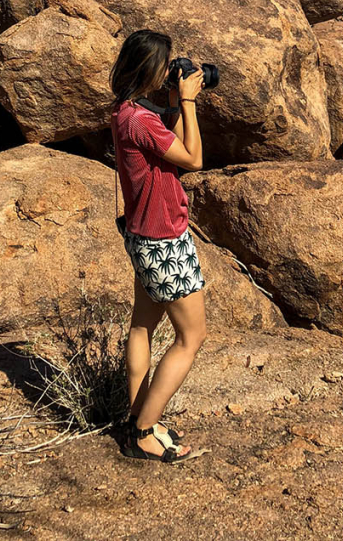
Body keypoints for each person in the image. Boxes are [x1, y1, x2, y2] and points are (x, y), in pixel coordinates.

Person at [109, 29, 207, 462]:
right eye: (166, 66)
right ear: (150, 69)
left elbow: (157, 138)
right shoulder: (141, 120)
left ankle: (137, 417)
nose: (172, 72)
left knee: (142, 326)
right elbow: (193, 158)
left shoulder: (126, 112)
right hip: (164, 239)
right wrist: (186, 101)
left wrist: (170, 101)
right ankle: (143, 432)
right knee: (191, 336)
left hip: (143, 234)